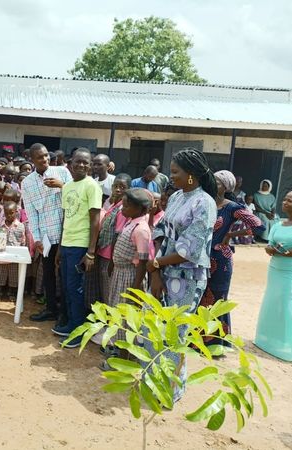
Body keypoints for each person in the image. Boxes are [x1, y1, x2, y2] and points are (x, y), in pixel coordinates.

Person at [146, 148, 217, 402]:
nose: (170, 176)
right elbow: (160, 231)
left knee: (175, 334)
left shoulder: (205, 203)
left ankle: (169, 390)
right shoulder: (176, 197)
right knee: (154, 327)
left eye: (175, 172)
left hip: (186, 280)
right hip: (162, 272)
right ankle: (151, 379)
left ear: (191, 175)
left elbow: (190, 249)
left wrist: (156, 263)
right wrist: (155, 270)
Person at [197, 170, 263, 345]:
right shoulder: (205, 203)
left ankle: (216, 342)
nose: (213, 183)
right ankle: (199, 339)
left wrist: (231, 234)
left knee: (218, 298)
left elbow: (258, 226)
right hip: (202, 258)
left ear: (226, 187)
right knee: (202, 295)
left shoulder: (232, 207)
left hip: (221, 260)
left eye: (217, 182)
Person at [53, 148, 102, 348]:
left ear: (90, 165)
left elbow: (96, 221)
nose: (81, 165)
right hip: (66, 245)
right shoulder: (68, 187)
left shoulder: (92, 186)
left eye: (85, 162)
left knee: (75, 290)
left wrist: (90, 252)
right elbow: (66, 218)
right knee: (66, 287)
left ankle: (77, 331)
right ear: (70, 163)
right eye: (78, 162)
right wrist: (59, 248)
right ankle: (71, 324)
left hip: (81, 246)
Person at [21, 143, 72, 324]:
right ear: (31, 160)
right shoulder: (27, 182)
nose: (44, 159)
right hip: (46, 236)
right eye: (40, 157)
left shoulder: (63, 173)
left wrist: (63, 186)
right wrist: (36, 239)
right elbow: (31, 213)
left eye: (46, 156)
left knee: (65, 275)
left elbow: (75, 198)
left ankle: (65, 313)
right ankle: (51, 309)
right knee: (48, 274)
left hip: (66, 233)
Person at [255, 190, 292, 363]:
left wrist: (279, 251)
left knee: (286, 305)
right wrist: (270, 249)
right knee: (271, 302)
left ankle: (291, 349)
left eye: (290, 200)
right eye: (284, 199)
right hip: (275, 269)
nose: (285, 202)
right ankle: (267, 342)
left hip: (291, 272)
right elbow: (269, 245)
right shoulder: (278, 223)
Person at [106, 188, 153, 357]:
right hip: (120, 273)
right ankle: (118, 348)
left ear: (140, 209)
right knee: (117, 310)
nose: (122, 209)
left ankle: (124, 355)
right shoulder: (130, 221)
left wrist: (135, 287)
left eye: (127, 206)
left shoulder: (141, 229)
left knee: (126, 316)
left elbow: (142, 261)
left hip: (130, 276)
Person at [87, 173, 131, 309]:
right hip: (102, 252)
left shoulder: (123, 209)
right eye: (116, 186)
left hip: (109, 257)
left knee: (108, 291)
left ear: (128, 189)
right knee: (102, 290)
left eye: (122, 187)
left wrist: (112, 260)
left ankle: (109, 324)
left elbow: (117, 235)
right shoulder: (112, 205)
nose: (118, 190)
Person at [0, 201, 26, 301]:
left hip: (15, 257)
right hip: (2, 256)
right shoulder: (0, 226)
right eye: (6, 213)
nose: (8, 215)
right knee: (1, 275)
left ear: (16, 212)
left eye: (11, 213)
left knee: (13, 276)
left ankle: (11, 292)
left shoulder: (21, 226)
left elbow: (23, 241)